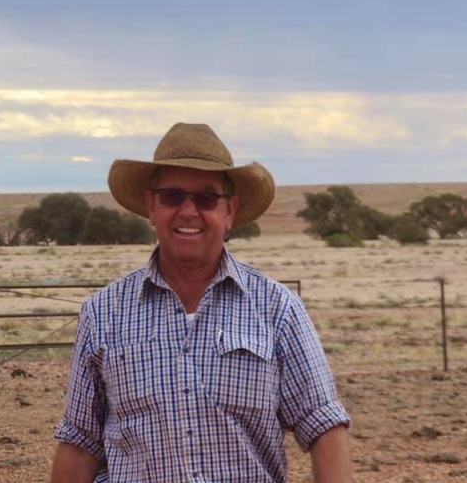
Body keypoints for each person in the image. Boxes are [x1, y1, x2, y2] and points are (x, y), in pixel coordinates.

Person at [50, 122, 353, 483]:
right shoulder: (104, 313)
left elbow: (322, 425)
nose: (189, 211)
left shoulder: (277, 309)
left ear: (230, 211)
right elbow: (81, 440)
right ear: (151, 206)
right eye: (173, 196)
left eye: (206, 198)